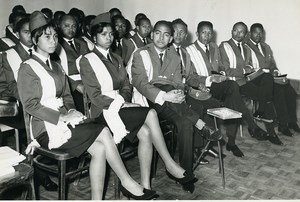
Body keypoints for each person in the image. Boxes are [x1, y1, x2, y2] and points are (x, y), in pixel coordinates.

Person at [17, 11, 156, 200]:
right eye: (47, 37)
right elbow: (30, 105)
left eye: (55, 36)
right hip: (45, 128)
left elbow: (67, 97)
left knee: (99, 149)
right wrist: (62, 117)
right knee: (103, 132)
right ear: (35, 39)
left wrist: (71, 110)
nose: (53, 41)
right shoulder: (27, 67)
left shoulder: (57, 67)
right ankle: (127, 182)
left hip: (64, 122)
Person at [78, 14, 197, 194]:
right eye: (103, 34)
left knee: (147, 132)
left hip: (120, 106)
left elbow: (127, 84)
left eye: (111, 34)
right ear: (94, 37)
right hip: (102, 111)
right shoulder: (87, 60)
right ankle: (170, 164)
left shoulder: (117, 58)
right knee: (150, 113)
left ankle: (146, 186)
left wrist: (124, 101)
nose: (109, 37)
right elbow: (94, 96)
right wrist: (121, 104)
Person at [131, 20, 221, 192]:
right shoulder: (140, 53)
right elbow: (140, 83)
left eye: (166, 35)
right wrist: (166, 94)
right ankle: (200, 125)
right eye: (157, 33)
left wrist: (178, 93)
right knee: (165, 87)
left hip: (171, 104)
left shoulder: (174, 56)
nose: (161, 37)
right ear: (151, 34)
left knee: (185, 123)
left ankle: (184, 173)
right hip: (147, 101)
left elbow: (178, 83)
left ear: (171, 38)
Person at [184, 20, 269, 157]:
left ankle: (233, 141)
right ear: (197, 33)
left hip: (217, 86)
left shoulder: (214, 47)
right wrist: (208, 80)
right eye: (203, 32)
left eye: (209, 33)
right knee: (233, 91)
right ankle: (242, 133)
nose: (206, 36)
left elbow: (222, 67)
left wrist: (222, 75)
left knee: (233, 91)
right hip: (201, 88)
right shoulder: (188, 50)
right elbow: (190, 77)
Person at [219, 22, 283, 145]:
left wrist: (248, 69)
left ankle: (269, 128)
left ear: (245, 34)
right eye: (235, 31)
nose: (238, 34)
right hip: (230, 84)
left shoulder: (246, 48)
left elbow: (248, 64)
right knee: (239, 100)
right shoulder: (224, 46)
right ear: (231, 31)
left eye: (241, 31)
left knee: (265, 95)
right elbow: (226, 69)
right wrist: (244, 70)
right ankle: (251, 128)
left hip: (244, 82)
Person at [246, 23, 299, 135]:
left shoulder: (266, 47)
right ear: (250, 33)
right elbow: (247, 66)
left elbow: (271, 63)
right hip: (256, 80)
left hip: (269, 78)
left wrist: (274, 70)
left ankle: (292, 122)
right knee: (279, 91)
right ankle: (283, 125)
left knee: (290, 91)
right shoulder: (245, 47)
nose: (258, 35)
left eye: (261, 33)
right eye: (256, 32)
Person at [55, 14, 90, 114]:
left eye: (74, 26)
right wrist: (75, 85)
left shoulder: (82, 43)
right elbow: (58, 72)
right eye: (66, 26)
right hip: (68, 84)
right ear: (58, 26)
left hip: (86, 80)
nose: (71, 29)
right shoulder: (56, 46)